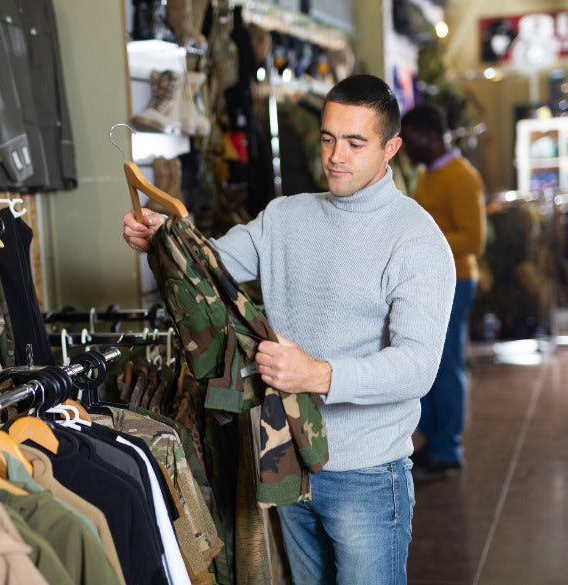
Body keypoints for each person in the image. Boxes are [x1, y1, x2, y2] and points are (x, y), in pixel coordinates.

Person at [123, 74, 456, 585]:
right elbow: (213, 265)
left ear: (391, 148)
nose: (335, 155)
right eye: (327, 138)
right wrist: (163, 243)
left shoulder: (416, 239)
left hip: (367, 472)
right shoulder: (284, 216)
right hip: (285, 460)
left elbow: (416, 368)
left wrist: (318, 374)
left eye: (354, 142)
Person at [400, 104, 486, 479]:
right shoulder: (429, 174)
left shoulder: (461, 177)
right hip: (431, 279)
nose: (406, 148)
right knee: (428, 362)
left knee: (446, 363)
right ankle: (433, 442)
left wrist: (426, 241)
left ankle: (447, 447)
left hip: (457, 279)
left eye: (411, 139)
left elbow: (475, 239)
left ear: (431, 137)